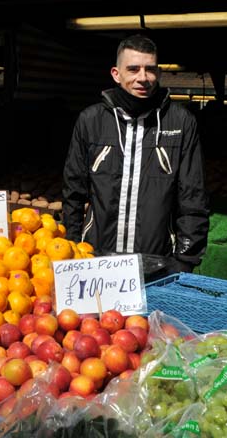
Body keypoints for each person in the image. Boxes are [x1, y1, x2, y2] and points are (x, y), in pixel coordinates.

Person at [62, 35, 209, 272]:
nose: (143, 78)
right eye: (133, 69)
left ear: (158, 73)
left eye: (149, 69)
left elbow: (193, 195)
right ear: (116, 73)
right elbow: (73, 191)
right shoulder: (90, 121)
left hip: (156, 263)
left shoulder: (181, 122)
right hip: (95, 259)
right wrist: (71, 245)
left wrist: (185, 260)